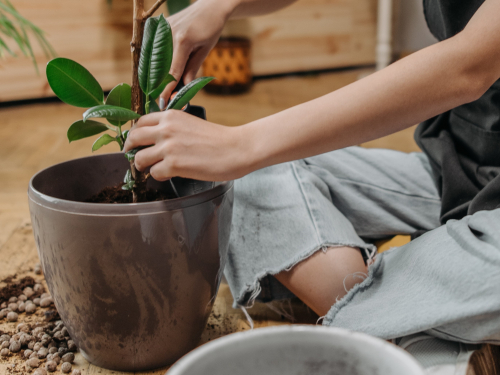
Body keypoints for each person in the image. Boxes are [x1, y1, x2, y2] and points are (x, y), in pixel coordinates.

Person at [124, 0, 500, 364]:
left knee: (480, 276)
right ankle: (425, 328)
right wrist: (220, 5)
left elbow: (471, 65)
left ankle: (419, 340)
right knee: (253, 176)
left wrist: (241, 144)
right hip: (460, 168)